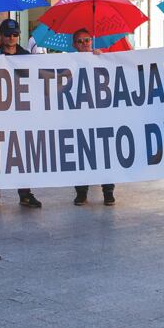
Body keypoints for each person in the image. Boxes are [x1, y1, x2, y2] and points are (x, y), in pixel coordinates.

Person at [0, 19, 42, 211]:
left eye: (15, 34)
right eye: (8, 34)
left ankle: (25, 193)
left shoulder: (26, 56)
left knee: (22, 155)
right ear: (0, 36)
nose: (12, 38)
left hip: (21, 114)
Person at [71, 29, 116, 206]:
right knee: (81, 154)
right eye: (80, 41)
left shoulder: (102, 58)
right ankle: (81, 192)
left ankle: (108, 191)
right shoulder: (69, 62)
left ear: (92, 41)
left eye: (87, 40)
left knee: (105, 153)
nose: (84, 44)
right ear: (74, 44)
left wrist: (102, 60)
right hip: (79, 116)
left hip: (101, 115)